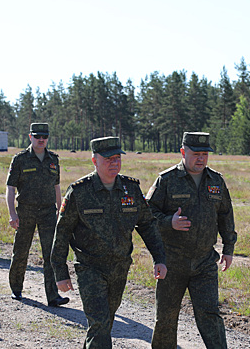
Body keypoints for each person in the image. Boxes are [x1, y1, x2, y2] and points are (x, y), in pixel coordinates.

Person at [51, 136, 168, 349]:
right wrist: (60, 272)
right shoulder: (79, 192)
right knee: (100, 323)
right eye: (108, 159)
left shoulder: (130, 190)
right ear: (94, 160)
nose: (114, 163)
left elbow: (148, 225)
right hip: (90, 268)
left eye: (117, 158)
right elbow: (62, 233)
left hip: (120, 267)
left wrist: (159, 258)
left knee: (104, 324)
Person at [146, 131, 237, 349]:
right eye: (196, 154)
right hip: (172, 261)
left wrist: (229, 247)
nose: (201, 158)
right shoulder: (166, 180)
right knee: (166, 318)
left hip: (205, 262)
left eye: (205, 154)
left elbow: (226, 215)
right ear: (183, 152)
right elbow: (147, 215)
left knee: (210, 315)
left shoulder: (216, 180)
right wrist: (170, 222)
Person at [5, 123, 69, 306]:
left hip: (48, 212)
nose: (41, 140)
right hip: (26, 211)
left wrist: (60, 211)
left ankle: (52, 295)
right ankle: (16, 288)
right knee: (21, 252)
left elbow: (57, 187)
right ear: (30, 137)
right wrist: (12, 213)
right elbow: (10, 188)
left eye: (44, 137)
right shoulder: (20, 159)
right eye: (37, 136)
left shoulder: (53, 159)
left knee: (50, 253)